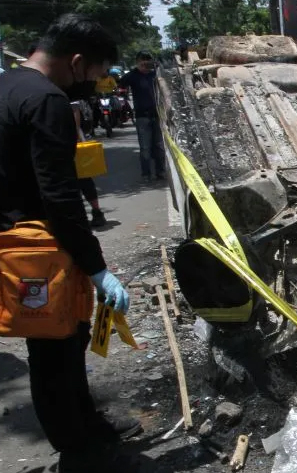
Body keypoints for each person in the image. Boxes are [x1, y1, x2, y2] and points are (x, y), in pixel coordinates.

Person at [0, 14, 140, 473]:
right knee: (54, 350)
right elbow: (59, 194)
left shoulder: (8, 87)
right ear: (77, 62)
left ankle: (88, 427)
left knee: (67, 339)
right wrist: (95, 265)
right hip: (40, 245)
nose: (96, 85)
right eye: (96, 75)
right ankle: (79, 453)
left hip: (16, 240)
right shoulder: (46, 100)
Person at [119, 51, 166, 182]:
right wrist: (137, 69)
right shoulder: (133, 76)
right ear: (137, 61)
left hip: (157, 115)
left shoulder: (155, 74)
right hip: (142, 117)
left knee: (159, 146)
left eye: (148, 60)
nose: (145, 63)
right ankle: (146, 174)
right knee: (145, 147)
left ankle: (160, 172)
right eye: (142, 60)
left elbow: (167, 80)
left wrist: (158, 66)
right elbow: (121, 83)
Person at [71, 100, 107, 227]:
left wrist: (74, 135)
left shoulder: (64, 86)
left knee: (83, 177)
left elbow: (75, 110)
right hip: (56, 139)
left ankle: (96, 212)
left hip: (70, 140)